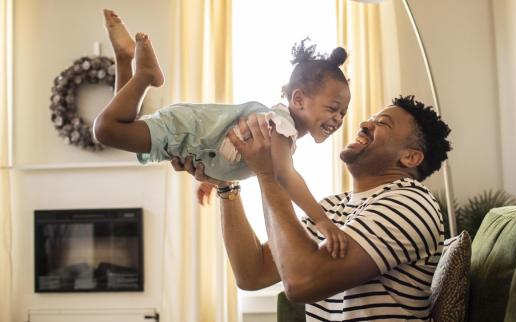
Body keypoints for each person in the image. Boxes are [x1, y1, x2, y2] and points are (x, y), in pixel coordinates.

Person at [94, 10, 352, 257]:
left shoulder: (277, 126)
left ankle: (124, 58)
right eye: (333, 108)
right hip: (186, 131)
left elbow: (227, 145)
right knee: (107, 129)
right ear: (299, 99)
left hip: (187, 137)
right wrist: (323, 222)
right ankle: (146, 75)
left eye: (343, 112)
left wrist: (213, 178)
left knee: (123, 124)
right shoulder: (280, 128)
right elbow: (286, 176)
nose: (338, 119)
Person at [175, 95, 452, 321]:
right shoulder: (333, 207)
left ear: (410, 156)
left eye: (383, 123)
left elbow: (301, 281)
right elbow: (252, 274)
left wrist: (269, 172)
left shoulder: (411, 203)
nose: (365, 123)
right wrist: (227, 186)